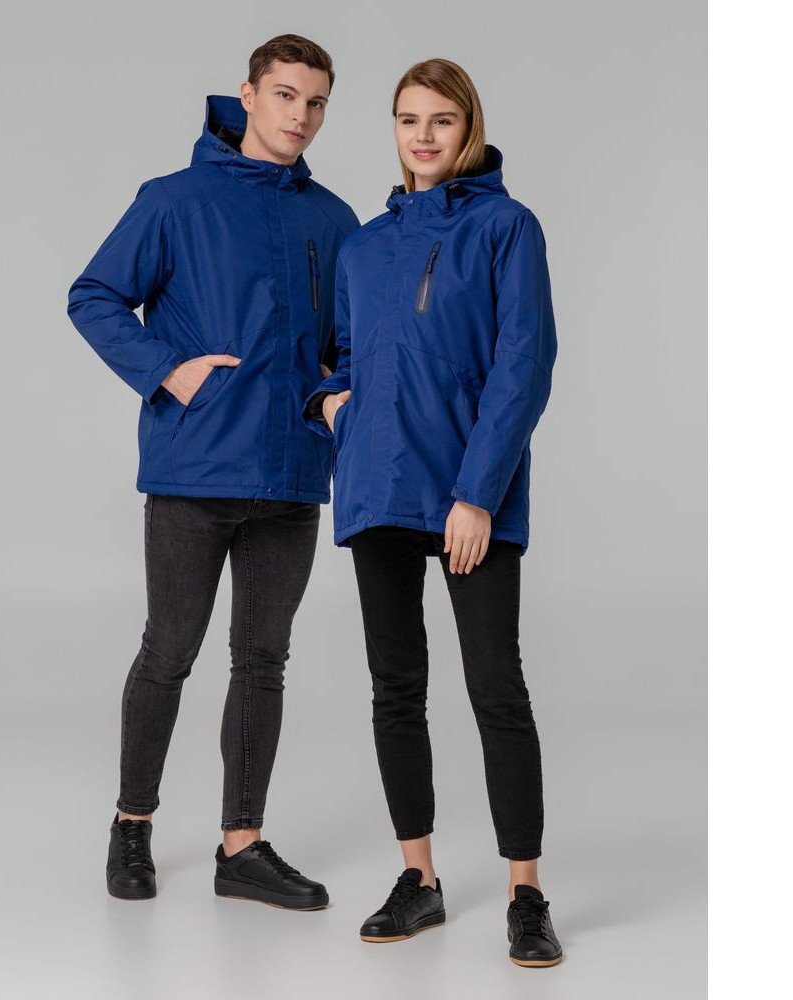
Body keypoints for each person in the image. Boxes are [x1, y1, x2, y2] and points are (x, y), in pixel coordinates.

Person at [68, 34, 358, 908]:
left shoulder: (334, 219)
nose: (300, 116)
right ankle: (132, 825)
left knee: (263, 660)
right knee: (169, 650)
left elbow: (349, 343)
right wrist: (168, 370)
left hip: (292, 475)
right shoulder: (174, 200)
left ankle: (243, 846)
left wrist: (333, 395)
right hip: (194, 469)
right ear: (249, 94)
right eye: (285, 95)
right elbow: (93, 295)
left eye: (315, 102)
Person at [303, 58, 562, 965]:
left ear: (468, 129)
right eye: (408, 119)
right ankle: (419, 878)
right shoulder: (365, 245)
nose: (423, 136)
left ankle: (526, 892)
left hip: (466, 492)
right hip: (377, 486)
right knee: (396, 688)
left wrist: (477, 494)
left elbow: (523, 364)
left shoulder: (506, 228)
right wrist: (333, 404)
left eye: (441, 121)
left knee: (496, 688)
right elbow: (340, 355)